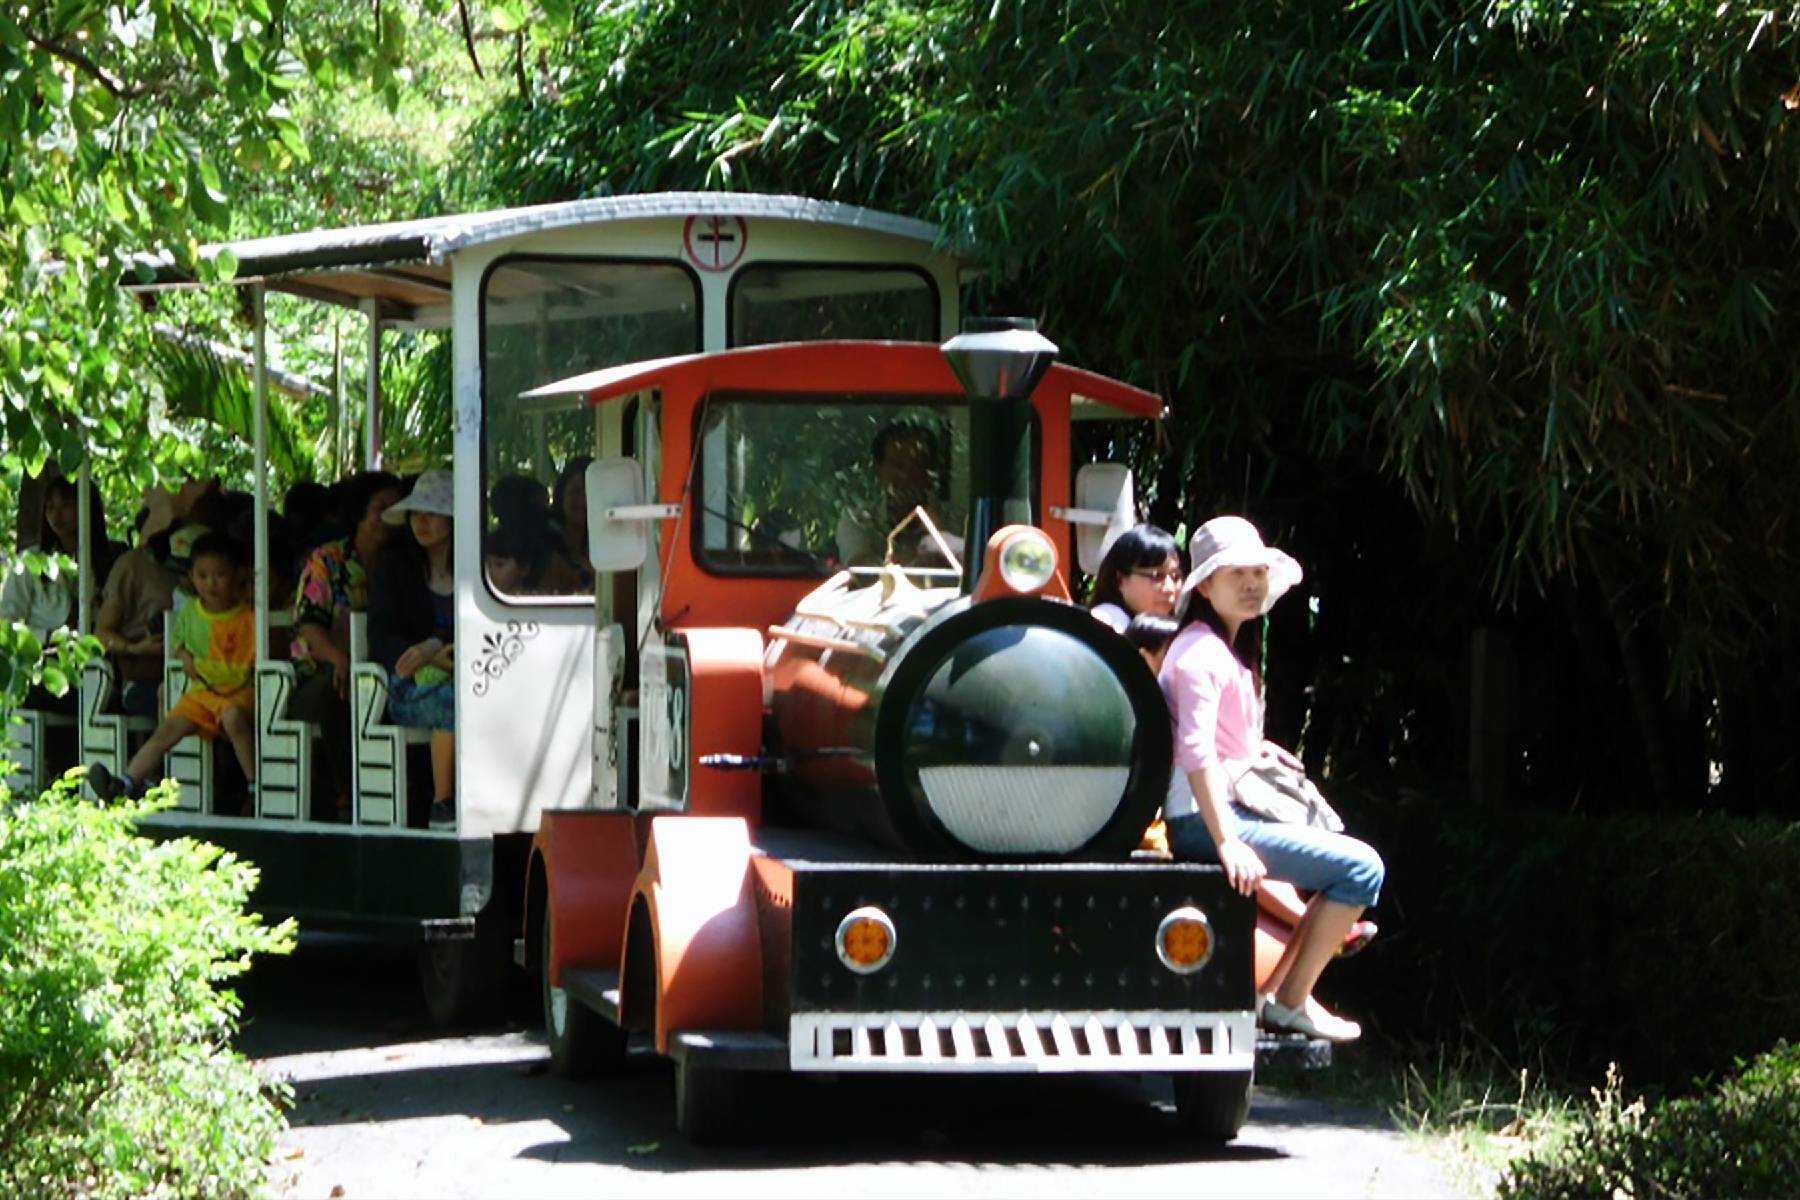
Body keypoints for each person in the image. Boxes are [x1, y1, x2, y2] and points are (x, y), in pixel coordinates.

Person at [1160, 515, 1384, 1043]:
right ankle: (1289, 1001)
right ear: (1205, 585)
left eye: (1258, 572)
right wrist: (1227, 841)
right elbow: (1193, 751)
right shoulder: (1200, 654)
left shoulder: (1219, 648)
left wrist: (1258, 749)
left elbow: (1212, 739)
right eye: (1234, 573)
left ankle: (1283, 997)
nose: (1251, 584)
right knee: (1361, 868)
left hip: (1217, 810)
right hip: (1202, 820)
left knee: (1345, 868)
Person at [88, 533, 257, 804]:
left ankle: (254, 787)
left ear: (236, 575)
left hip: (236, 693)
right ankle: (125, 783)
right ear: (190, 576)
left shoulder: (249, 617)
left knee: (234, 718)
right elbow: (179, 644)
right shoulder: (189, 613)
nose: (211, 583)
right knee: (167, 730)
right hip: (202, 694)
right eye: (202, 575)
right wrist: (184, 656)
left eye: (220, 575)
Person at [286, 470, 404, 821]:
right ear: (359, 511)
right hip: (318, 674)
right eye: (380, 507)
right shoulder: (328, 559)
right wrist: (341, 661)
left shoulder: (401, 563)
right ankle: (347, 794)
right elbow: (308, 623)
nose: (388, 516)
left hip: (381, 671)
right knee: (339, 697)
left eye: (397, 509)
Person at [368, 469, 457, 827]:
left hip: (475, 676)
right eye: (416, 512)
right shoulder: (395, 568)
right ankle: (442, 804)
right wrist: (427, 655)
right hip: (409, 685)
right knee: (453, 702)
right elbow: (381, 634)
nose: (422, 521)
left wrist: (437, 648)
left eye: (432, 512)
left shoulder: (476, 567)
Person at [834, 421, 957, 567]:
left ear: (930, 471)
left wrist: (941, 534)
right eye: (898, 465)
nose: (907, 475)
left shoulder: (956, 521)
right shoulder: (859, 521)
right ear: (878, 469)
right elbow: (862, 571)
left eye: (917, 465)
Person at [1088, 524, 1183, 632]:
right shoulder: (1105, 625)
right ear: (1119, 580)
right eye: (1156, 576)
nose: (1170, 589)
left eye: (1176, 577)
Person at [539, 457, 595, 595]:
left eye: (591, 493)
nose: (583, 501)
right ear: (561, 494)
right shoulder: (543, 541)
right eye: (575, 492)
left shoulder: (608, 543)